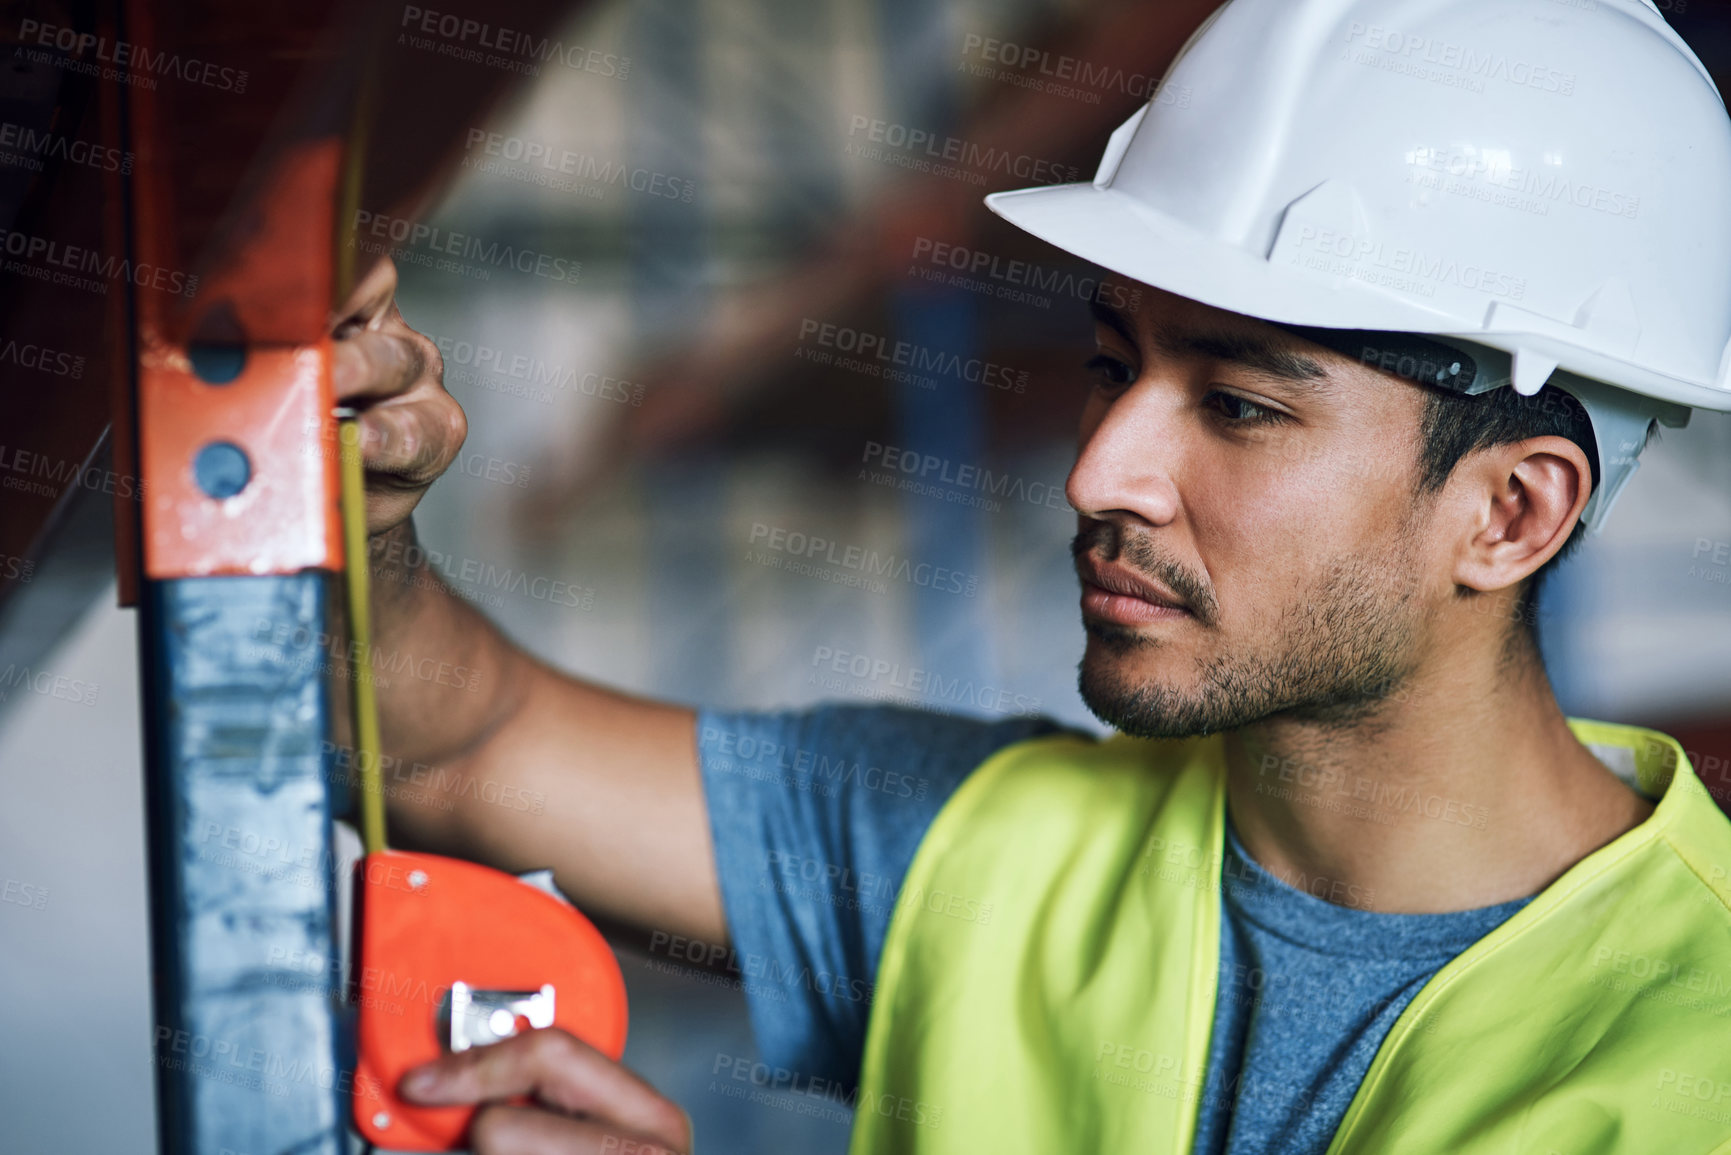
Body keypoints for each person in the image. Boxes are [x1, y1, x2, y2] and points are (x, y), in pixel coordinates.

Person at [327, 0, 1731, 1151]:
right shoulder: (981, 848)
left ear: (1513, 515)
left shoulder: (1700, 1051)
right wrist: (359, 507)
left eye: (1239, 405)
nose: (1099, 471)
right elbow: (453, 740)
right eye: (1114, 368)